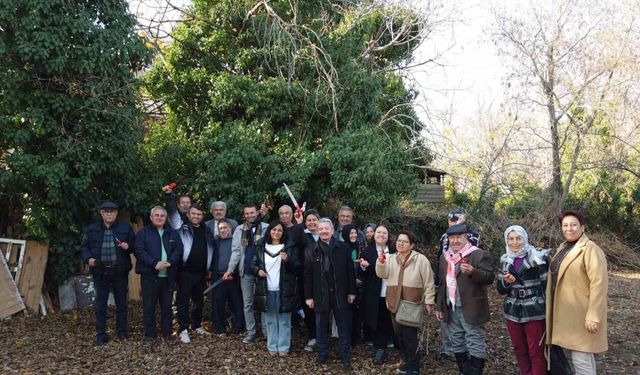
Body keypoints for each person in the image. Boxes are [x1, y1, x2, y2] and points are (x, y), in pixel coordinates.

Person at [546, 210, 608, 375]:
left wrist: (593, 316)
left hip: (583, 314)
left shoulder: (590, 249)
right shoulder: (563, 247)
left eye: (574, 225)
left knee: (581, 357)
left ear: (582, 227)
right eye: (565, 225)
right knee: (583, 357)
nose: (569, 228)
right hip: (568, 313)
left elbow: (599, 284)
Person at [435, 224, 494, 375]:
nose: (455, 241)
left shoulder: (478, 254)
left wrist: (473, 272)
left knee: (474, 340)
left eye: (458, 237)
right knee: (456, 339)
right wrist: (440, 306)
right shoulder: (445, 257)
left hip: (471, 306)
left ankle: (475, 371)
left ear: (466, 237)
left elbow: (489, 278)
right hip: (451, 305)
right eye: (452, 238)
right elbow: (442, 284)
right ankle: (464, 370)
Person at [375, 231, 435, 375]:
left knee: (409, 335)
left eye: (405, 241)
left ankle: (414, 366)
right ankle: (406, 360)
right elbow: (382, 274)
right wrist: (381, 262)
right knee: (399, 334)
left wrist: (429, 300)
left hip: (412, 302)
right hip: (394, 300)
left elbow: (428, 282)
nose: (400, 243)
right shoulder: (391, 258)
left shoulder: (420, 259)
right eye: (399, 241)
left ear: (412, 245)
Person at [164, 186, 217, 343]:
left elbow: (211, 250)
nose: (196, 216)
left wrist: (209, 269)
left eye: (199, 214)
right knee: (183, 300)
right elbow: (172, 212)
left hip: (201, 273)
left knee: (199, 301)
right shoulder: (181, 226)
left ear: (202, 216)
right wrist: (168, 196)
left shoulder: (206, 229)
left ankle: (196, 325)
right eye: (193, 213)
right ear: (188, 214)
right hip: (185, 271)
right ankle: (183, 329)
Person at [304, 218, 357, 370]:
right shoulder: (310, 249)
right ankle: (322, 354)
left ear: (333, 230)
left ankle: (345, 355)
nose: (323, 231)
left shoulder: (344, 247)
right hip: (320, 293)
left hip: (341, 293)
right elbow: (307, 274)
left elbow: (350, 271)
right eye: (320, 229)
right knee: (320, 326)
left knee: (344, 326)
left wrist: (352, 291)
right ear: (317, 231)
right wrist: (308, 296)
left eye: (326, 228)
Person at [81, 201, 136, 345]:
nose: (109, 214)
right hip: (100, 272)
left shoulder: (125, 228)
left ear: (116, 213)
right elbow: (84, 247)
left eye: (112, 212)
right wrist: (89, 259)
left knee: (121, 304)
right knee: (100, 305)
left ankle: (122, 332)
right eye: (106, 211)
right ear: (101, 213)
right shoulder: (92, 229)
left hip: (120, 271)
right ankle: (101, 334)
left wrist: (128, 246)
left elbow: (135, 245)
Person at [497, 225, 548, 375]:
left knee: (536, 350)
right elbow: (500, 289)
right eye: (511, 239)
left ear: (525, 239)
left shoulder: (537, 258)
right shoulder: (505, 260)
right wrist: (507, 281)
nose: (515, 242)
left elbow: (547, 286)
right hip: (513, 310)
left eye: (518, 238)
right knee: (519, 349)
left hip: (535, 309)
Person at [436, 209, 481, 362]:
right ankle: (450, 350)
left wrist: (463, 227)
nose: (454, 222)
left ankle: (468, 353)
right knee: (447, 319)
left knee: (466, 322)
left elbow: (473, 251)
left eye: (457, 220)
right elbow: (440, 257)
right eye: (451, 220)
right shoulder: (444, 237)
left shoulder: (472, 235)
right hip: (447, 279)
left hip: (465, 281)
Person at [134, 206, 183, 343]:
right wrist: (154, 263)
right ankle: (150, 335)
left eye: (162, 215)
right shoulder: (143, 233)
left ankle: (167, 334)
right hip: (150, 276)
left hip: (168, 276)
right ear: (151, 217)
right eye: (157, 215)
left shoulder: (172, 233)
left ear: (165, 218)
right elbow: (139, 250)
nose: (160, 217)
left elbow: (179, 250)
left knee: (167, 307)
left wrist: (170, 262)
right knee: (149, 307)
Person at [250, 220, 299, 356]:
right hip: (266, 288)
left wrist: (287, 260)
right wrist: (258, 271)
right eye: (274, 229)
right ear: (269, 230)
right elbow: (252, 264)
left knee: (284, 320)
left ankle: (283, 347)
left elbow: (297, 267)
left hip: (284, 289)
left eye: (279, 230)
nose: (276, 232)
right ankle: (272, 346)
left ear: (283, 233)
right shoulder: (260, 246)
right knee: (270, 319)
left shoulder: (289, 247)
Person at [229, 203, 269, 343]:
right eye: (247, 213)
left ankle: (266, 331)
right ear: (244, 215)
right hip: (245, 270)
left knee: (264, 302)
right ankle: (251, 331)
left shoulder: (266, 227)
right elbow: (236, 251)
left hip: (262, 270)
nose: (250, 215)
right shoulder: (240, 229)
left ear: (257, 212)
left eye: (252, 212)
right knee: (248, 303)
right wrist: (230, 270)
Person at [359, 224, 396, 364]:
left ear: (388, 236)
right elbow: (361, 274)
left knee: (391, 319)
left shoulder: (394, 251)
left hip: (392, 291)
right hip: (374, 292)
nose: (381, 235)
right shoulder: (367, 250)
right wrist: (363, 268)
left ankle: (393, 342)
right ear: (374, 235)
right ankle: (380, 349)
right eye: (379, 232)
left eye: (384, 233)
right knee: (378, 319)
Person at [211, 219, 245, 335]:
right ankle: (220, 329)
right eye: (220, 228)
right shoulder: (215, 242)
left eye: (225, 227)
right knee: (218, 303)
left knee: (236, 303)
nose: (223, 230)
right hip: (219, 277)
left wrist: (232, 272)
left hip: (234, 277)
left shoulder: (236, 241)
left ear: (230, 229)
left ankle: (238, 327)